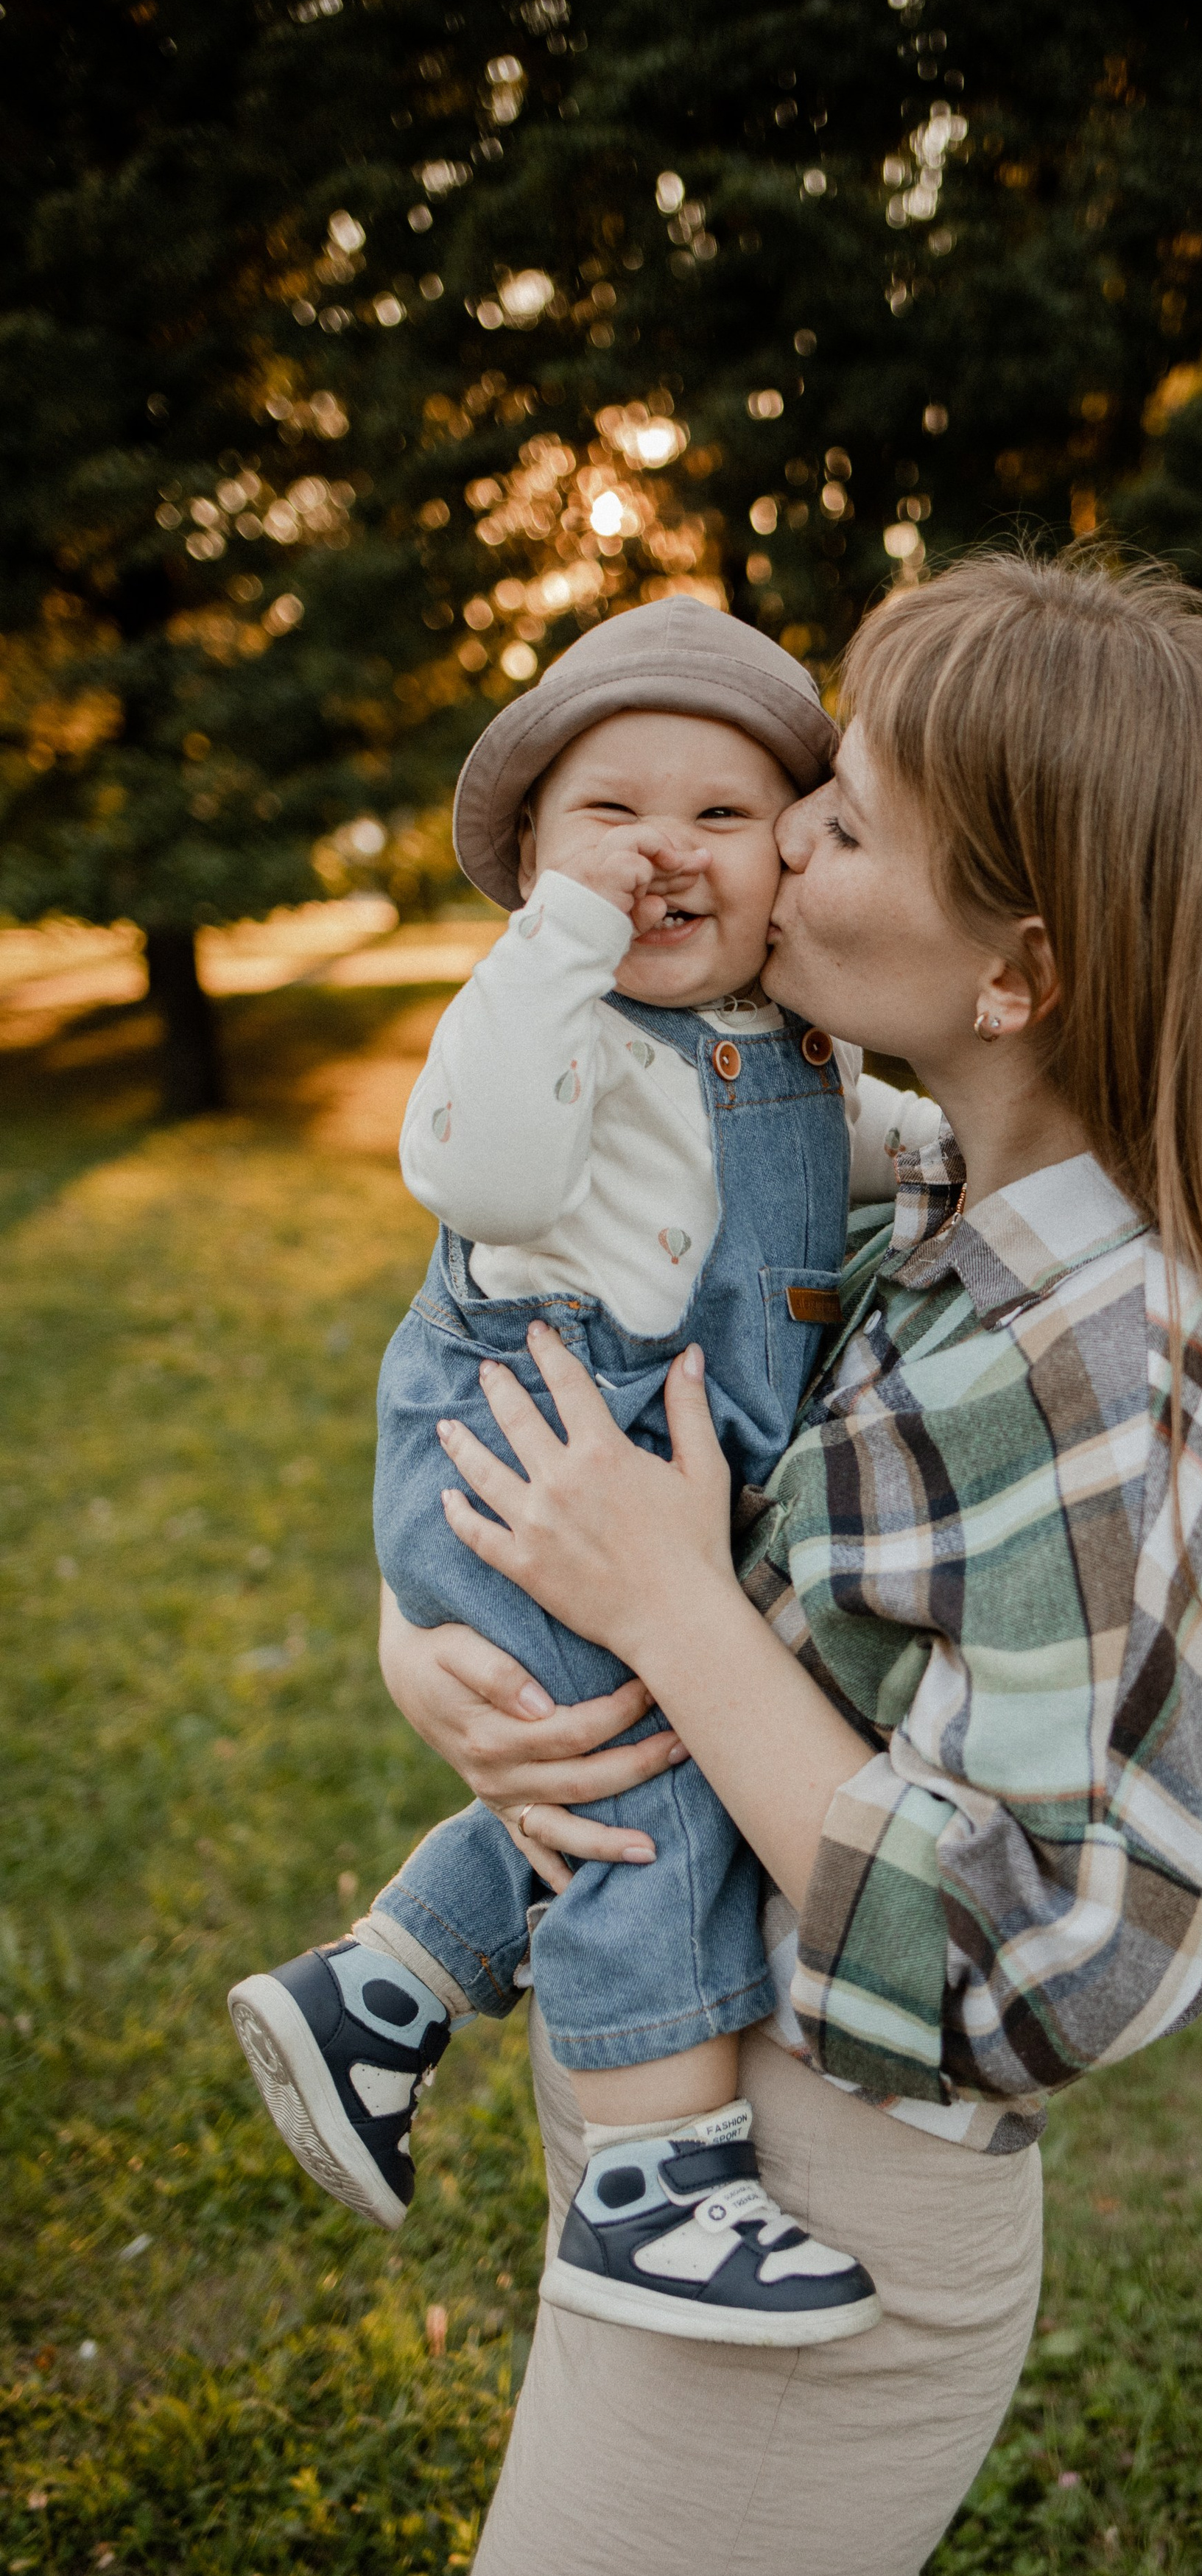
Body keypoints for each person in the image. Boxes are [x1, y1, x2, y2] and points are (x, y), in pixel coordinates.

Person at [377, 549, 1202, 2576]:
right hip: (708, 2146)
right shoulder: (904, 1218)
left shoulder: (1122, 1370)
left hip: (834, 2228)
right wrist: (430, 1641)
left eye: (845, 817)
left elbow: (1058, 1963)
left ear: (1023, 971)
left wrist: (676, 1612)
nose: (771, 840)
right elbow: (534, 1393)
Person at [229, 596, 938, 2347]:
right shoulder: (546, 1031)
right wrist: (549, 949)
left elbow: (838, 1152)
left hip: (632, 1491)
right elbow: (476, 1167)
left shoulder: (776, 1055)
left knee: (605, 1763)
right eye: (605, 816)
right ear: (532, 861)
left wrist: (941, 1148)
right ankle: (651, 2180)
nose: (658, 853)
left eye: (718, 816)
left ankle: (382, 1991)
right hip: (531, 1465)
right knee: (657, 1797)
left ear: (787, 862)